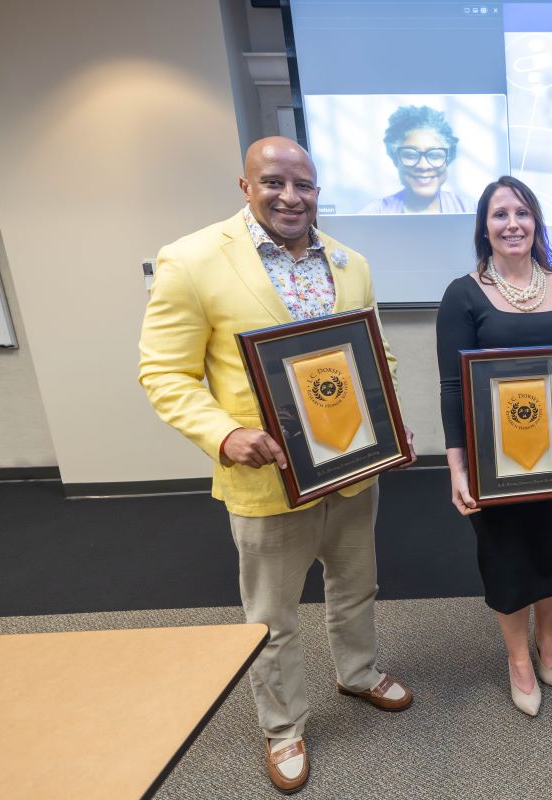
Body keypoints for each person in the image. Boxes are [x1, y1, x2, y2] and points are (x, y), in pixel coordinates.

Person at [139, 137, 416, 794]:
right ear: (245, 186)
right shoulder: (192, 261)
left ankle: (357, 672)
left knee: (356, 586)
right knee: (273, 615)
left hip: (351, 467)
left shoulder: (351, 264)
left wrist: (388, 418)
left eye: (305, 184)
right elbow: (165, 372)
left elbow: (373, 357)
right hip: (267, 479)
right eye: (274, 182)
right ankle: (283, 725)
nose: (291, 196)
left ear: (319, 191)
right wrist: (224, 433)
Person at [435, 176, 552, 717]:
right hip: (492, 460)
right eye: (500, 214)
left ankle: (549, 642)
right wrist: (456, 466)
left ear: (536, 222)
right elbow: (453, 387)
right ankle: (519, 659)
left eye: (522, 213)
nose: (512, 224)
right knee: (506, 556)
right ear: (484, 226)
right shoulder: (464, 293)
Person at [362, 106, 474, 214]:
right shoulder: (375, 212)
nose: (423, 166)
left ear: (448, 159)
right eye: (410, 156)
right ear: (395, 159)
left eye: (434, 156)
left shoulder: (471, 209)